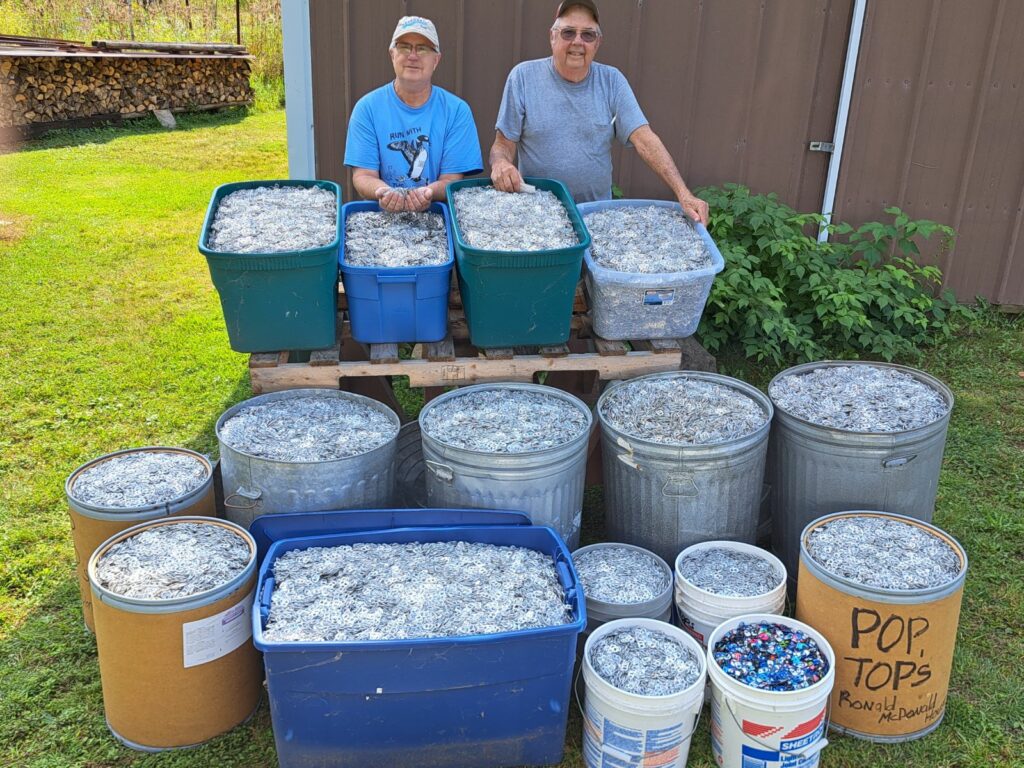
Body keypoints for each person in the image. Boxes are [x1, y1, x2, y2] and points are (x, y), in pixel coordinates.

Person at [489, 0, 709, 224]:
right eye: (568, 32)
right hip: (537, 213)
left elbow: (644, 139)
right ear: (552, 37)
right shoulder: (523, 77)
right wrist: (501, 164)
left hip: (595, 216)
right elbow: (503, 143)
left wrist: (683, 193)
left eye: (588, 35)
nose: (577, 42)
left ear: (598, 42)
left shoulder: (612, 81)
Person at [345, 16, 483, 213]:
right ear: (392, 54)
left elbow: (451, 180)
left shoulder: (457, 111)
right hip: (380, 220)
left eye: (423, 48)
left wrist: (428, 193)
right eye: (404, 47)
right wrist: (383, 192)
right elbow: (363, 176)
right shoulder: (367, 108)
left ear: (436, 60)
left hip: (437, 217)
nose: (413, 55)